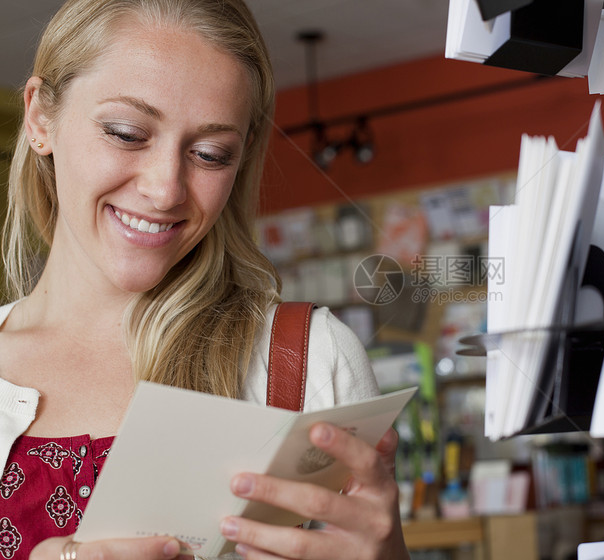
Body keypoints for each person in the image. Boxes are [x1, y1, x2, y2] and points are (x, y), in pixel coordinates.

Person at [0, 0, 410, 559]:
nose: (166, 189)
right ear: (40, 118)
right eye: (126, 133)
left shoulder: (308, 359)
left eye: (211, 154)